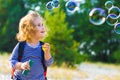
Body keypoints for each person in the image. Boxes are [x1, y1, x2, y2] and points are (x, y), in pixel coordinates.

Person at [9, 11, 54, 80]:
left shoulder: (43, 47)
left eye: (42, 24)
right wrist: (21, 65)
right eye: (39, 25)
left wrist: (47, 53)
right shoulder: (21, 46)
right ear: (30, 29)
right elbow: (12, 61)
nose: (42, 27)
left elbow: (48, 63)